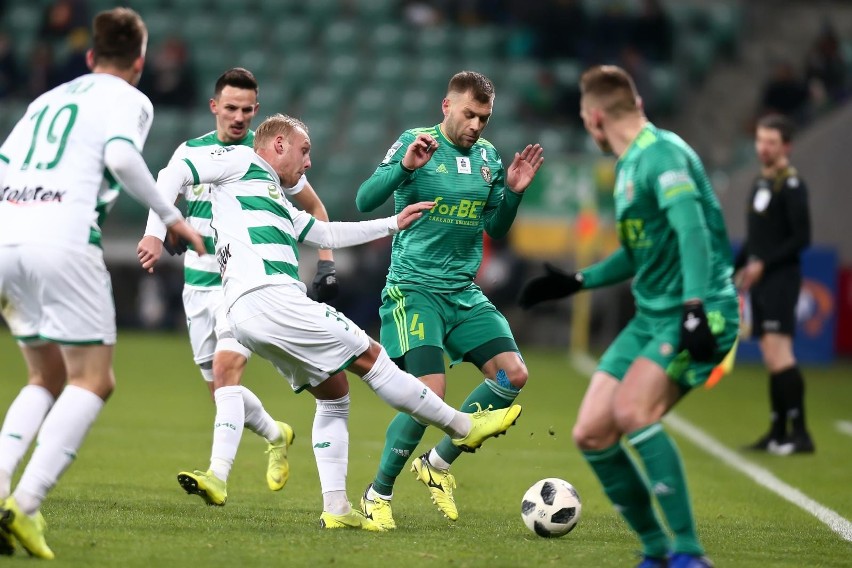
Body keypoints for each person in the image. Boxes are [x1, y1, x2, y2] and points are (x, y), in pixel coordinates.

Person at [138, 113, 523, 530]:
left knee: (335, 394)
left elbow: (326, 233)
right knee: (371, 358)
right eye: (304, 152)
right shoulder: (241, 162)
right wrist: (156, 231)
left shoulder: (271, 196)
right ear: (279, 144)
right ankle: (462, 425)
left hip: (245, 315)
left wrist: (393, 224)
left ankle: (337, 508)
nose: (308, 165)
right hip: (274, 299)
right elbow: (174, 169)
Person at [0, 8, 204, 559]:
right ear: (138, 62)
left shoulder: (45, 101)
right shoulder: (129, 98)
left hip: (5, 238)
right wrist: (172, 216)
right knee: (93, 379)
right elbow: (119, 153)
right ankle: (25, 503)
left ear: (90, 56)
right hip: (62, 238)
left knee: (43, 376)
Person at [519, 65, 739, 568]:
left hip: (701, 312)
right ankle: (656, 552)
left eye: (582, 118)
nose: (585, 126)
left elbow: (693, 234)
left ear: (595, 117)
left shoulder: (663, 156)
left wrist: (694, 307)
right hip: (652, 317)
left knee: (633, 413)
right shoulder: (626, 167)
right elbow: (638, 252)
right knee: (592, 432)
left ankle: (688, 554)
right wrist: (576, 282)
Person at [137, 67, 339, 504]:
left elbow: (315, 205)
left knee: (229, 374)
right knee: (221, 394)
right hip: (198, 285)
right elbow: (168, 195)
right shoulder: (191, 152)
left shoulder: (267, 158)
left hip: (243, 286)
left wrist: (325, 261)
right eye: (230, 108)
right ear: (214, 107)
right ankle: (276, 433)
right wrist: (170, 228)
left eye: (247, 110)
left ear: (257, 111)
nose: (239, 117)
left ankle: (216, 477)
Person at [354, 70, 543, 529]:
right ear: (447, 106)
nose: (477, 125)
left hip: (461, 292)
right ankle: (377, 493)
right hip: (414, 290)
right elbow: (364, 200)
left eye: (485, 117)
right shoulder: (416, 143)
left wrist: (514, 193)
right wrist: (405, 168)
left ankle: (437, 465)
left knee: (513, 374)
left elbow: (496, 227)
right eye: (469, 114)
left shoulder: (489, 157)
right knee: (429, 393)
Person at [736, 114, 814, 455]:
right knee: (771, 354)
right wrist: (735, 269)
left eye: (771, 142)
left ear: (786, 146)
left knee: (781, 353)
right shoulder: (761, 182)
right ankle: (777, 431)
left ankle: (800, 434)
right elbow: (755, 239)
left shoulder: (791, 185)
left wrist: (763, 265)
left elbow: (802, 237)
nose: (763, 148)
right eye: (760, 141)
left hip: (781, 278)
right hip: (763, 280)